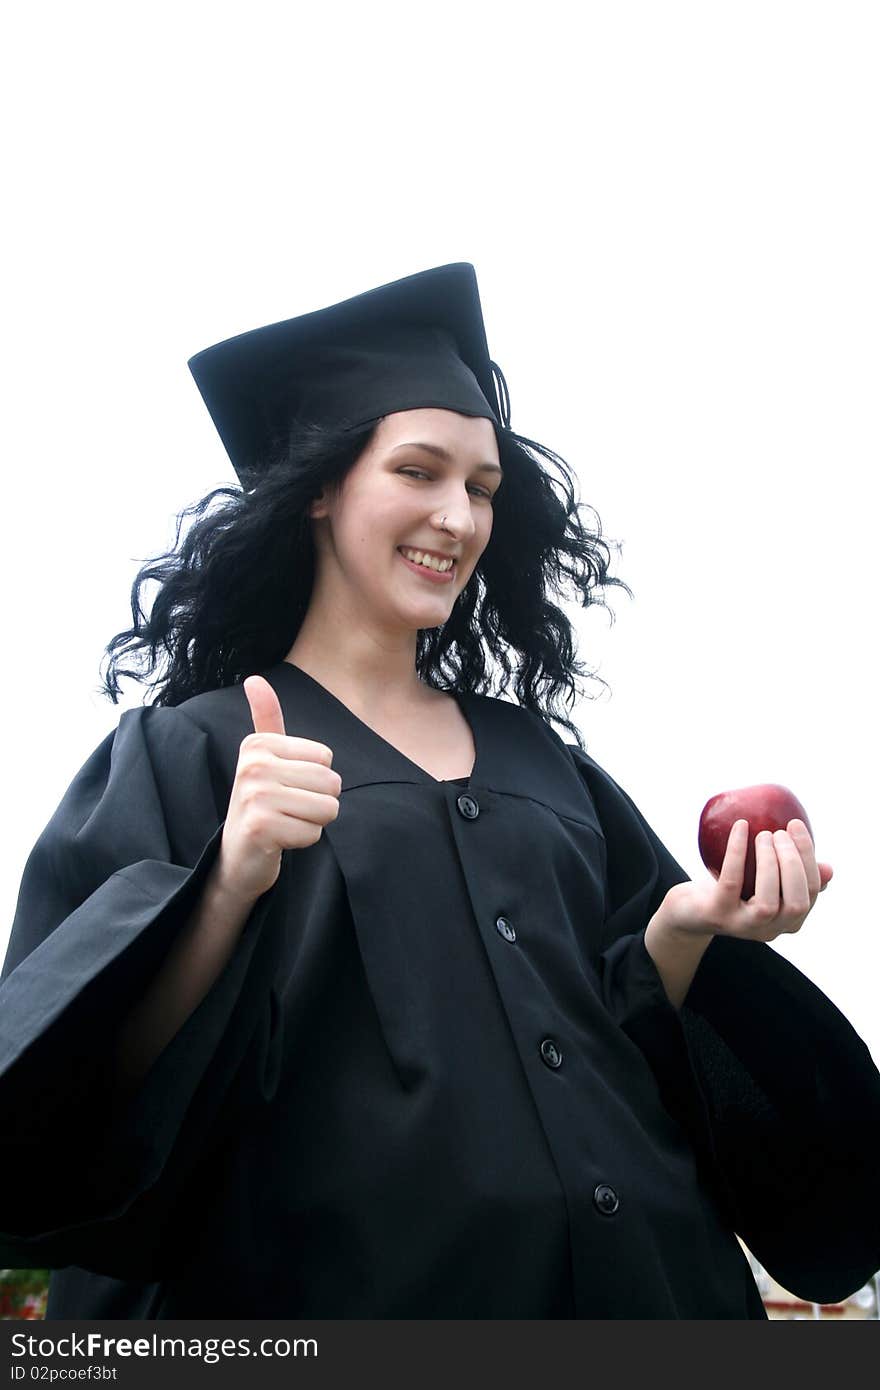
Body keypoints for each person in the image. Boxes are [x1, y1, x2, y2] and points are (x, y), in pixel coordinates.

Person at [0, 264, 877, 1320]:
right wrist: (227, 885)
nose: (456, 517)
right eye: (417, 471)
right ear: (319, 486)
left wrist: (683, 932)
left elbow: (617, 1037)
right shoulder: (188, 756)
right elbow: (76, 1092)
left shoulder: (545, 763)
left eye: (481, 486)